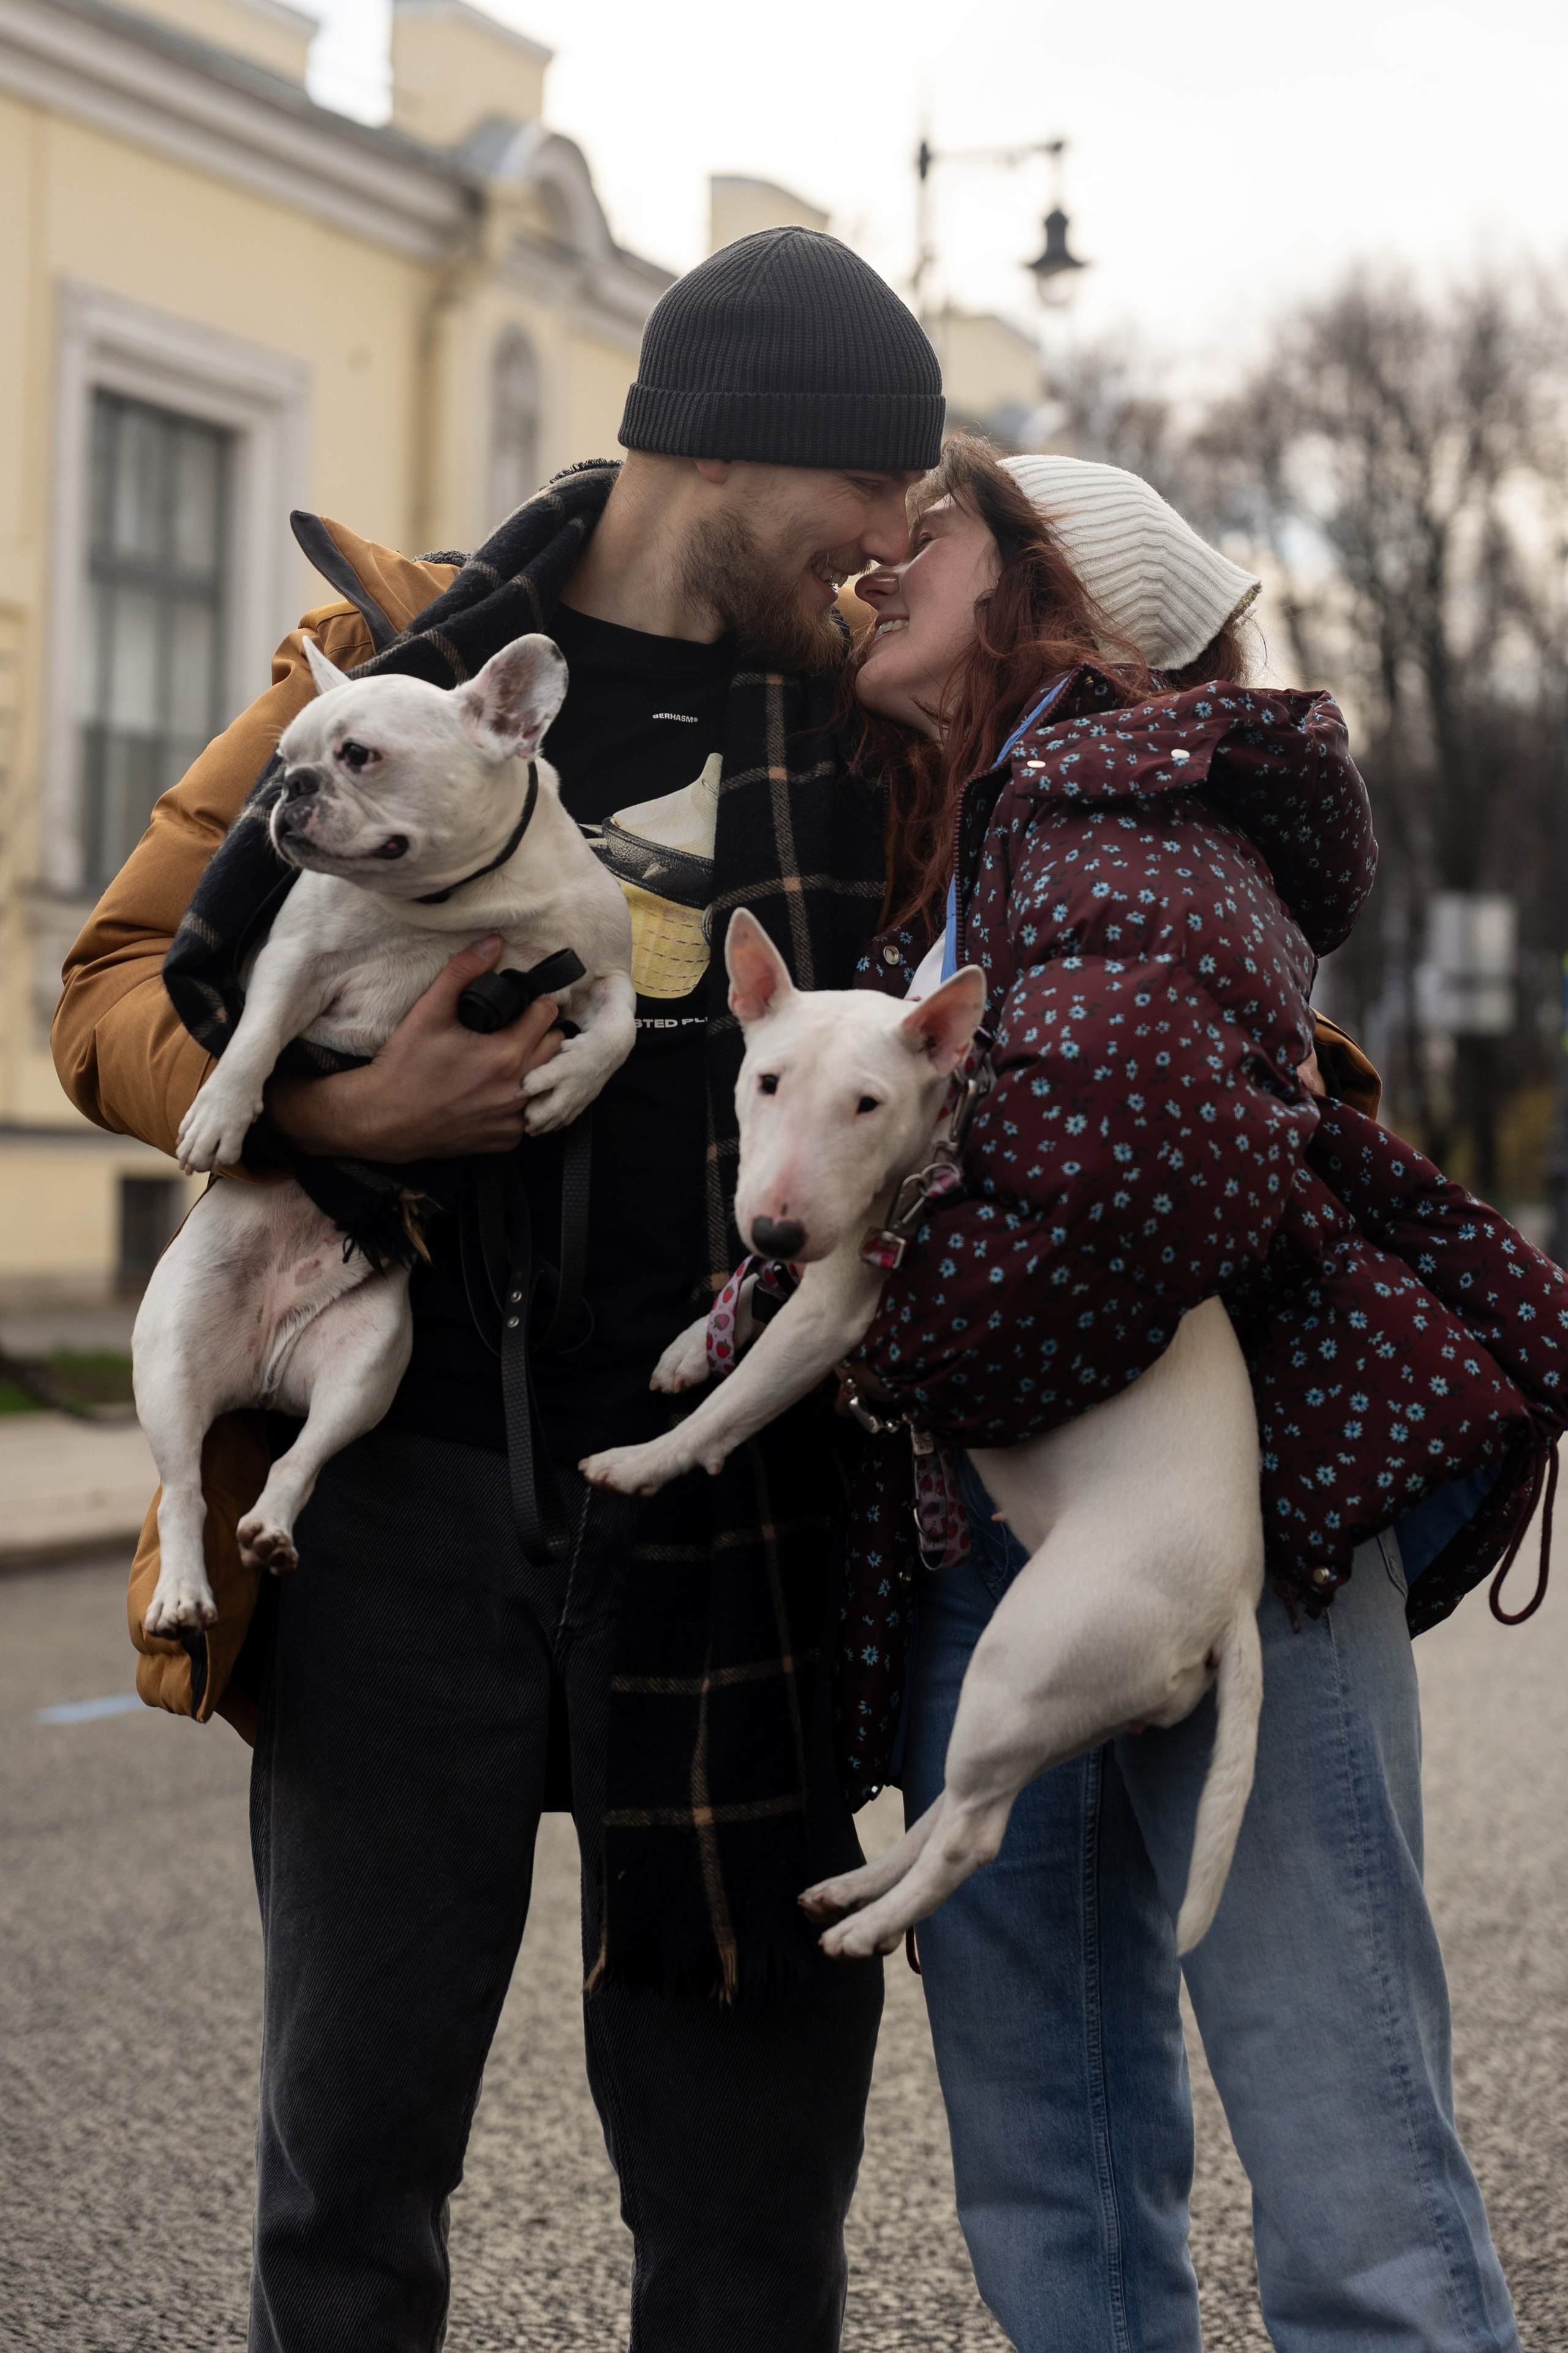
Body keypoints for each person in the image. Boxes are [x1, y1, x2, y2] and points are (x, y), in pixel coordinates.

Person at [51, 229, 944, 2353]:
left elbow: (1048, 1009)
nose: (888, 558)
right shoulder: (384, 663)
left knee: (747, 2230)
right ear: (738, 452)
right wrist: (340, 1123)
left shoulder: (884, 729)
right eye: (872, 504)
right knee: (344, 2191)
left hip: (738, 1523)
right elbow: (107, 993)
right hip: (400, 1516)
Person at [826, 436, 1566, 2352]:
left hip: (1252, 1542)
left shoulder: (1130, 805)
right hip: (1028, 1545)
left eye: (935, 536)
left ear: (1046, 582)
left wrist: (873, 1346)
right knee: (1057, 2174)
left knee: (1347, 2182)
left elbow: (1134, 1182)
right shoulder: (995, 833)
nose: (886, 566)